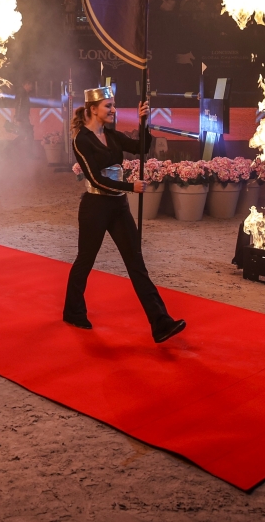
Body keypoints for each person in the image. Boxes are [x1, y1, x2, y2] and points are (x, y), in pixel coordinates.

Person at [66, 85, 186, 343]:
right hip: (95, 208)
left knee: (136, 264)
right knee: (85, 260)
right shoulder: (81, 140)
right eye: (108, 106)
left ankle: (160, 323)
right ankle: (73, 311)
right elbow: (96, 180)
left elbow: (141, 148)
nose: (113, 110)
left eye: (113, 105)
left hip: (118, 207)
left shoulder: (111, 135)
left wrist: (144, 122)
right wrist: (130, 186)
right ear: (92, 109)